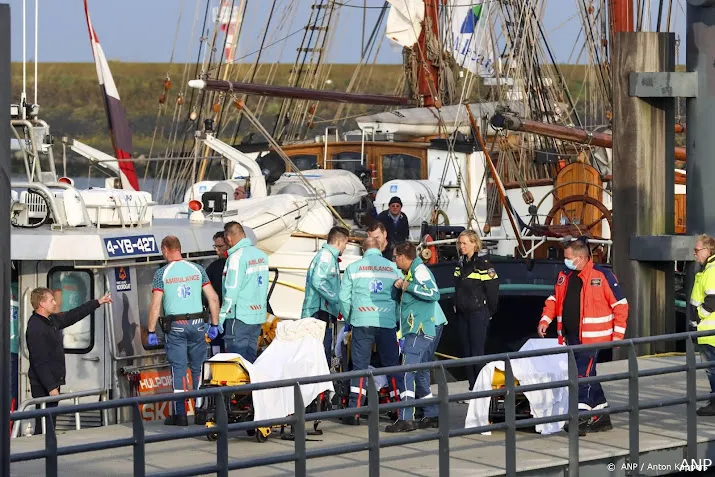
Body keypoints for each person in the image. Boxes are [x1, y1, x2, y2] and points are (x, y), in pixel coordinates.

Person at [537, 238, 628, 434]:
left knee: (581, 376)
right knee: (588, 375)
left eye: (568, 258)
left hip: (593, 338)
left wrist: (618, 335)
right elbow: (554, 299)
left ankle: (580, 417)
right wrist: (545, 320)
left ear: (580, 258)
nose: (565, 261)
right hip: (571, 337)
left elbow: (620, 304)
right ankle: (601, 416)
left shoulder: (602, 276)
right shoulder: (564, 276)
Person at [147, 236, 220, 426]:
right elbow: (213, 298)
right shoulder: (198, 269)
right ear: (179, 248)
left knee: (178, 370)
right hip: (198, 324)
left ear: (165, 249)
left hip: (176, 326)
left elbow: (155, 305)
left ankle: (180, 415)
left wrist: (151, 330)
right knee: (199, 369)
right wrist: (214, 324)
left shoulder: (161, 273)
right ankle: (200, 412)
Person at [26, 287, 112, 434]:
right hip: (43, 384)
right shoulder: (36, 327)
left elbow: (73, 315)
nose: (55, 303)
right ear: (41, 303)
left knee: (50, 420)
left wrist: (97, 302)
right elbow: (39, 361)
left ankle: (49, 449)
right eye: (51, 300)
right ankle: (42, 450)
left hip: (53, 380)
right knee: (44, 422)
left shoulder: (50, 320)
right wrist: (51, 386)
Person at [338, 237, 402, 426]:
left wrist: (351, 317)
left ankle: (355, 412)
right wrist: (395, 318)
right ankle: (399, 410)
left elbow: (344, 298)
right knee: (392, 366)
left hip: (362, 321)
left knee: (360, 367)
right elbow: (400, 297)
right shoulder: (392, 268)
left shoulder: (354, 268)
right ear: (380, 248)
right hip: (387, 322)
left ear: (363, 250)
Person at [388, 242, 445, 432]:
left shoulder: (419, 271)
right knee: (420, 371)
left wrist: (407, 286)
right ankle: (432, 414)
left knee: (407, 370)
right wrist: (400, 288)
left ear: (404, 257)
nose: (394, 260)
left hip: (423, 326)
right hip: (428, 325)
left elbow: (433, 293)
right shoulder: (412, 272)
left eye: (395, 257)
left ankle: (406, 418)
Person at [453, 230, 499, 390]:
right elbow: (457, 287)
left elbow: (493, 290)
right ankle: (472, 386)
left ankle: (480, 387)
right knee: (466, 350)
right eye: (460, 243)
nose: (462, 246)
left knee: (477, 350)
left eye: (465, 243)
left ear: (474, 243)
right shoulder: (460, 264)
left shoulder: (484, 265)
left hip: (478, 312)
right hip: (463, 312)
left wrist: (488, 311)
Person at [220, 221, 269, 363]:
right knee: (250, 360)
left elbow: (232, 290)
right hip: (257, 316)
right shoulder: (262, 256)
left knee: (235, 362)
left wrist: (222, 316)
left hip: (239, 317)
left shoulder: (236, 258)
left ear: (229, 238)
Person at [301, 226, 349, 362]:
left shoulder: (327, 256)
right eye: (345, 243)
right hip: (319, 311)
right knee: (321, 353)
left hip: (321, 310)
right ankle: (320, 381)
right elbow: (318, 281)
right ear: (339, 242)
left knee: (320, 352)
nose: (345, 247)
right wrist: (336, 299)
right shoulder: (326, 257)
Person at [690, 234, 715, 416]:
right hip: (706, 330)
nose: (694, 254)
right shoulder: (708, 269)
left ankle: (714, 402)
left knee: (712, 368)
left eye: (697, 250)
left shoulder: (711, 270)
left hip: (709, 330)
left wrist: (698, 317)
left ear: (707, 250)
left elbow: (713, 299)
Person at [205, 231, 228, 354]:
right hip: (217, 317)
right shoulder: (213, 268)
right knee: (216, 348)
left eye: (220, 247)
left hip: (235, 317)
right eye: (216, 247)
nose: (217, 251)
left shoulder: (238, 264)